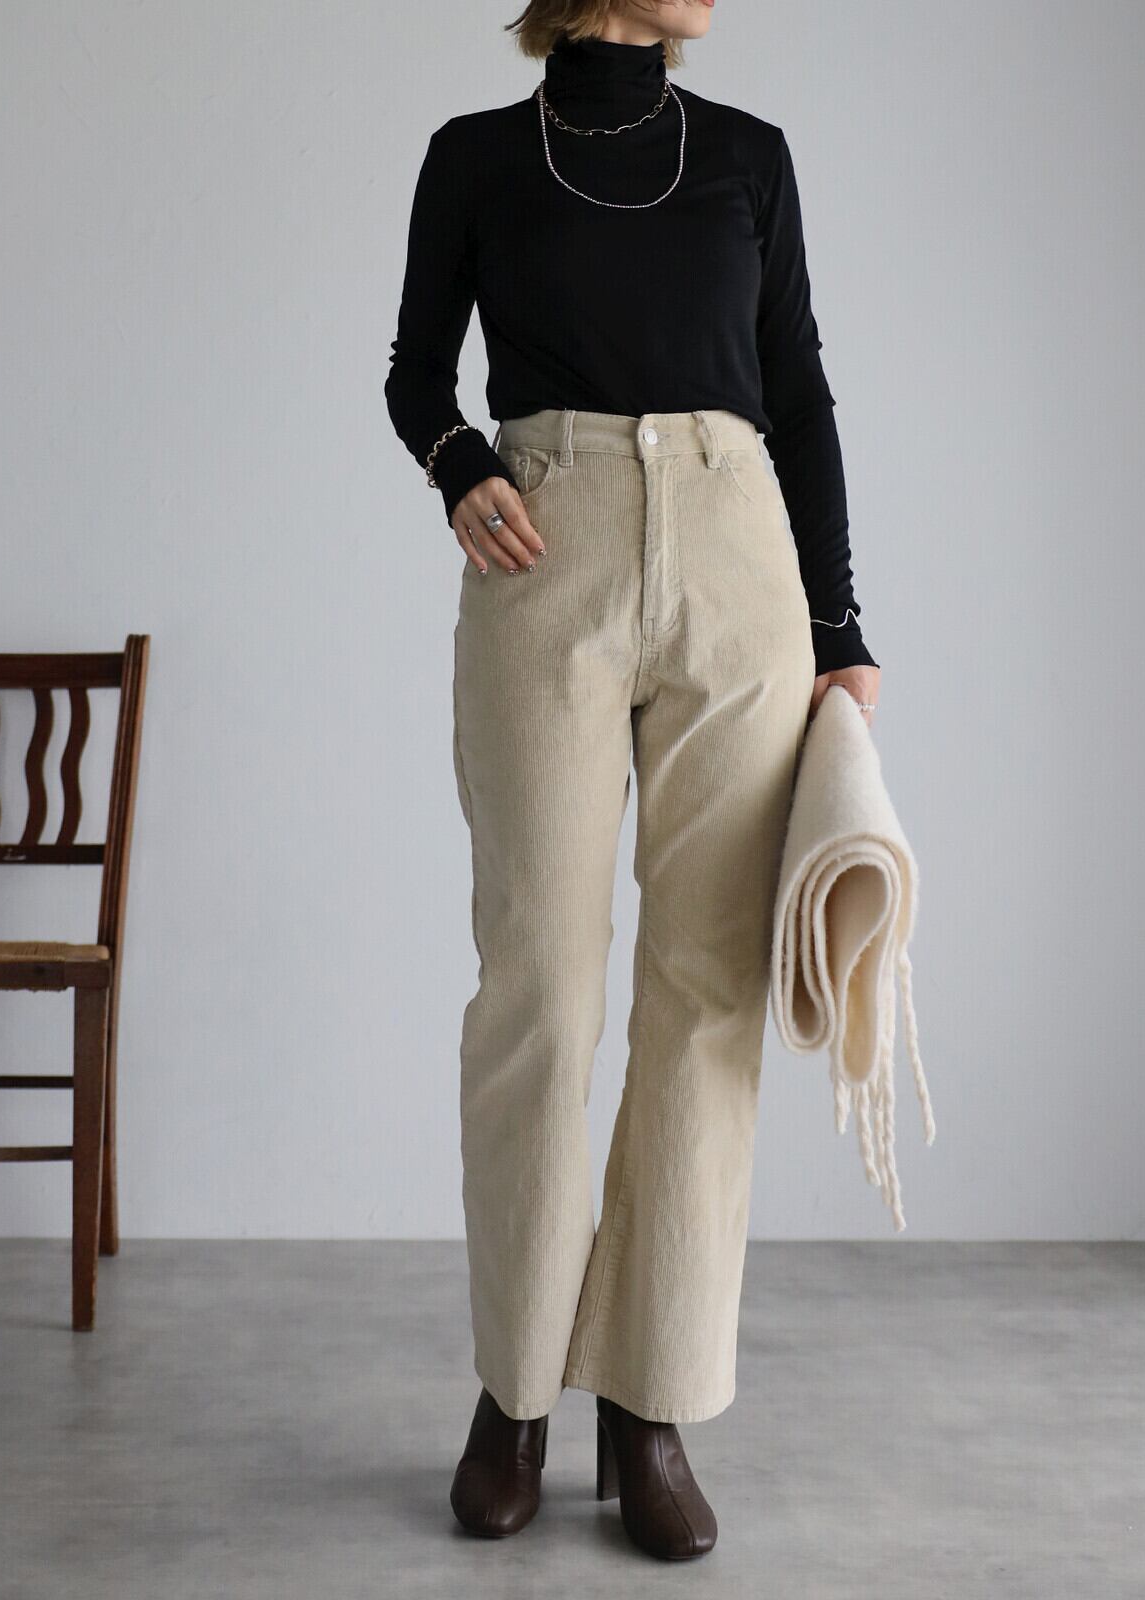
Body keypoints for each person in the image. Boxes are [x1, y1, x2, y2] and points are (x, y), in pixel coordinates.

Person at [384, 0, 882, 1561]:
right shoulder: (477, 157)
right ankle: (514, 1390)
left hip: (736, 561)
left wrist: (838, 625)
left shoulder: (747, 156)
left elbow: (797, 384)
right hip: (546, 551)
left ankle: (651, 1399)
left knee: (706, 989)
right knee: (535, 979)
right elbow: (414, 376)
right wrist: (459, 464)